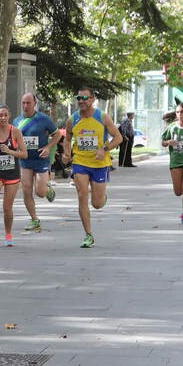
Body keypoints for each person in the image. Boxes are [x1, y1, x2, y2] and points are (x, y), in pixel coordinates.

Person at [62, 88, 123, 248]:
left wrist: (105, 149)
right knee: (82, 195)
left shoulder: (102, 117)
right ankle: (88, 235)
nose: (81, 101)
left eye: (85, 98)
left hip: (99, 164)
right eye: (78, 97)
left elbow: (119, 138)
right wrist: (67, 153)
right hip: (80, 163)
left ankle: (102, 198)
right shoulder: (72, 119)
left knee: (96, 203)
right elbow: (67, 139)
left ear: (93, 99)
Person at [13, 93, 61, 232]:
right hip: (25, 160)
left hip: (40, 160)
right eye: (23, 103)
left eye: (28, 103)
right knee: (26, 190)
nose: (25, 106)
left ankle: (47, 190)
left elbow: (57, 134)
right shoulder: (17, 121)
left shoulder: (44, 119)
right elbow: (14, 139)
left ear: (35, 103)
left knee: (40, 192)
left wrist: (48, 147)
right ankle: (34, 219)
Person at [0, 104, 27, 246]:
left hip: (12, 174)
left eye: (5, 115)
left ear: (9, 116)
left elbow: (24, 154)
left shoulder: (15, 132)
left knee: (7, 207)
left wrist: (10, 151)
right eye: (0, 115)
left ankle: (8, 234)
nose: (3, 118)